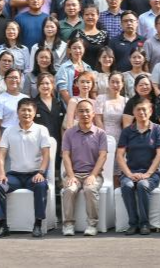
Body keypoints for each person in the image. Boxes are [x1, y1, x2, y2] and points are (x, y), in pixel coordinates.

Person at [0, 99, 52, 238]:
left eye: (29, 110)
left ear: (35, 112)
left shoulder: (41, 130)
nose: (26, 113)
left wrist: (41, 172)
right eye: (23, 110)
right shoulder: (9, 131)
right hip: (15, 176)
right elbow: (1, 155)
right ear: (17, 112)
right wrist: (1, 174)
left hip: (35, 174)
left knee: (41, 185)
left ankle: (37, 224)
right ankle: (2, 226)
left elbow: (46, 155)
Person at [116, 101, 160, 235]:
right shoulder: (127, 131)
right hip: (130, 172)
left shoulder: (157, 129)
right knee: (127, 185)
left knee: (142, 185)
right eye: (138, 109)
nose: (141, 112)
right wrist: (128, 174)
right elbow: (119, 155)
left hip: (151, 174)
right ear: (133, 112)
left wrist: (148, 173)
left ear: (150, 111)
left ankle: (144, 223)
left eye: (144, 109)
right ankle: (133, 223)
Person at [61, 100, 108, 237]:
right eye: (81, 111)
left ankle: (92, 225)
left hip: (93, 174)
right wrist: (71, 175)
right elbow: (65, 155)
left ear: (93, 113)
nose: (84, 114)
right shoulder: (69, 133)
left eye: (87, 111)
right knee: (69, 190)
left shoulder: (100, 133)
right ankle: (68, 224)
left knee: (90, 189)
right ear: (76, 114)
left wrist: (93, 175)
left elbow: (103, 156)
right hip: (73, 173)